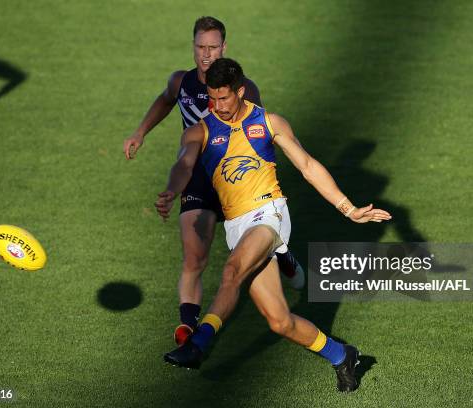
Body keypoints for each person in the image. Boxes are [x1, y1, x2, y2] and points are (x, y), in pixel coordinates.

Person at [155, 58, 392, 392]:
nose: (218, 106)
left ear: (240, 91)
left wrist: (348, 208)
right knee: (280, 321)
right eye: (212, 98)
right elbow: (184, 163)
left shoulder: (267, 121)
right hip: (237, 225)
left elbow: (308, 165)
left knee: (231, 272)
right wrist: (171, 189)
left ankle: (199, 343)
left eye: (225, 98)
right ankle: (343, 355)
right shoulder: (201, 129)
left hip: (270, 215)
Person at [123, 17, 304, 346]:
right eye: (200, 47)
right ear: (193, 47)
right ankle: (187, 327)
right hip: (198, 180)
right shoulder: (181, 82)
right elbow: (166, 102)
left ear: (224, 48)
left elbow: (258, 138)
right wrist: (140, 132)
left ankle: (281, 252)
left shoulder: (243, 88)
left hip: (237, 181)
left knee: (251, 247)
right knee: (194, 257)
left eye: (213, 47)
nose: (206, 54)